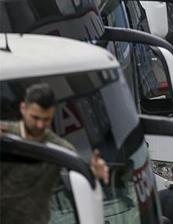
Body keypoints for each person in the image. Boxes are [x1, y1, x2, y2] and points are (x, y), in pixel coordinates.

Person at [0, 83, 109, 224]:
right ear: (23, 109)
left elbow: (80, 174)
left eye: (46, 119)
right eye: (35, 118)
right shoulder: (5, 133)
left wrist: (93, 173)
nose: (40, 125)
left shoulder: (61, 149)